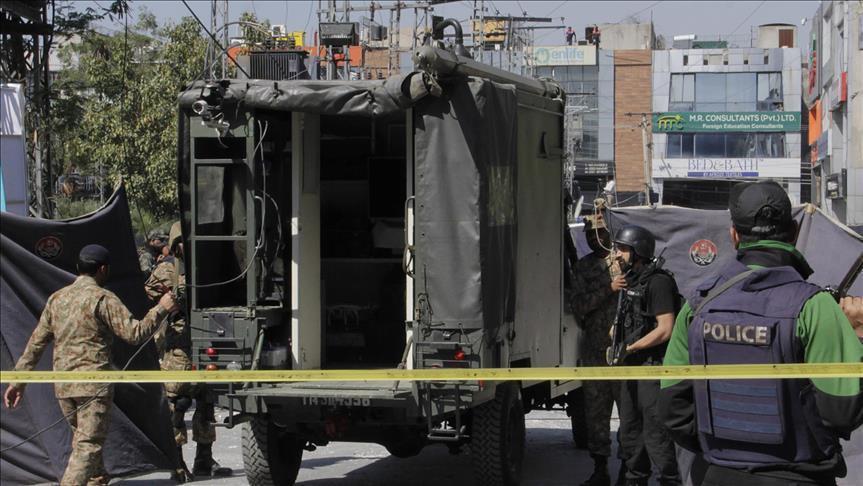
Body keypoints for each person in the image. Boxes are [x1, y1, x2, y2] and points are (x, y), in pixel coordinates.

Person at [660, 180, 863, 486]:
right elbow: (842, 411)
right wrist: (858, 335)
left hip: (716, 473)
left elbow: (673, 409)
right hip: (799, 477)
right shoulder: (816, 307)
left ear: (734, 235)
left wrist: (726, 451)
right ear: (794, 233)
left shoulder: (698, 306)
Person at [3, 244, 178, 486]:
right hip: (92, 386)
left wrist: (18, 381)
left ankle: (97, 479)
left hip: (64, 386)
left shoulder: (57, 299)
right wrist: (162, 308)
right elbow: (135, 333)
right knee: (88, 444)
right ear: (103, 269)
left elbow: (36, 344)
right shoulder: (102, 298)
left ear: (79, 267)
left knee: (83, 439)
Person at [144, 222, 232, 481]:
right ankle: (177, 462)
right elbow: (146, 293)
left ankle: (204, 458)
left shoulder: (206, 266)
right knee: (177, 404)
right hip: (178, 346)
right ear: (174, 244)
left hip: (205, 339)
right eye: (182, 241)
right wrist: (166, 303)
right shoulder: (168, 268)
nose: (188, 245)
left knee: (206, 400)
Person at [609, 225, 682, 486]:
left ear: (638, 251)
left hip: (653, 370)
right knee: (630, 435)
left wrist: (631, 348)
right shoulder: (631, 281)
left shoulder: (658, 282)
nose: (617, 254)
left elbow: (665, 329)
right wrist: (616, 337)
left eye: (622, 249)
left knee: (656, 436)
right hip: (631, 369)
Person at [571, 214, 627, 486]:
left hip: (625, 352)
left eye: (600, 233)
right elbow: (579, 307)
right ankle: (600, 468)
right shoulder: (583, 267)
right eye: (590, 235)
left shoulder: (624, 261)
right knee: (596, 413)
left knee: (629, 413)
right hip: (595, 351)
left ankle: (629, 468)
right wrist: (609, 288)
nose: (596, 239)